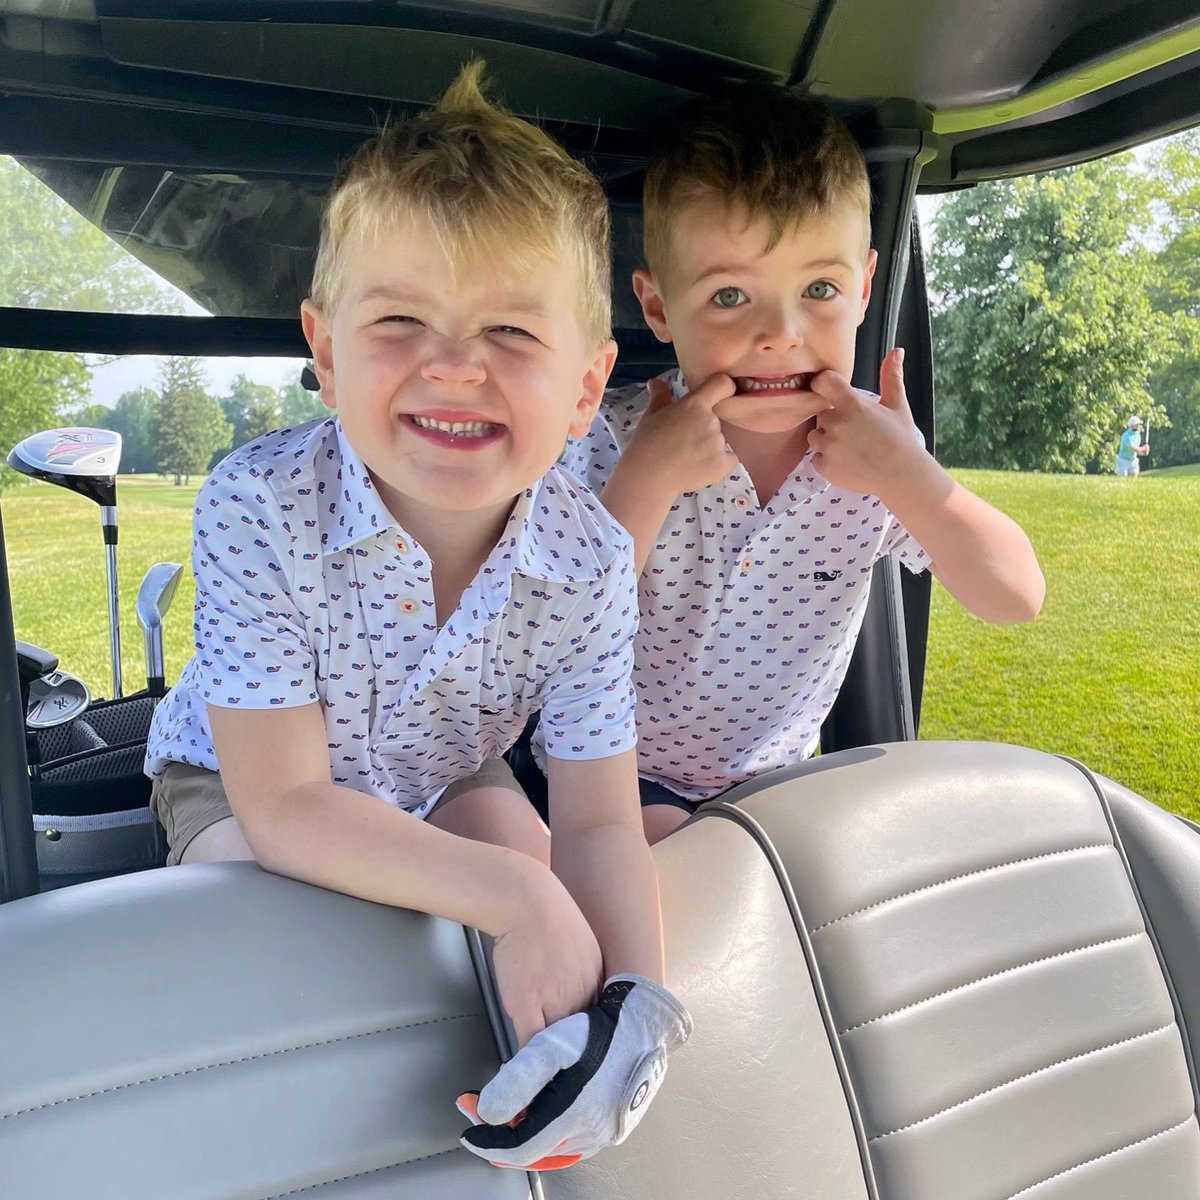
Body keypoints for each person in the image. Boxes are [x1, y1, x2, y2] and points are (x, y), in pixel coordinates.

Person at [144, 62, 689, 1170]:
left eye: (510, 334)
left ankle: (551, 1111)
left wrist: (639, 1003)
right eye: (400, 319)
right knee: (275, 935)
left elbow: (595, 822)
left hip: (448, 764)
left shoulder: (589, 558)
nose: (452, 366)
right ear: (327, 348)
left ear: (588, 390)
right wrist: (515, 898)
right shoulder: (259, 503)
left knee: (559, 917)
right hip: (240, 775)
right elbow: (291, 805)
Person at [550, 84, 1045, 844]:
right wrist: (644, 482)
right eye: (728, 296)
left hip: (781, 787)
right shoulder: (609, 441)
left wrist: (909, 475)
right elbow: (550, 638)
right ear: (656, 308)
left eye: (819, 289)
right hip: (609, 775)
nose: (780, 334)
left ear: (864, 288)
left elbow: (1016, 593)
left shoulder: (873, 457)